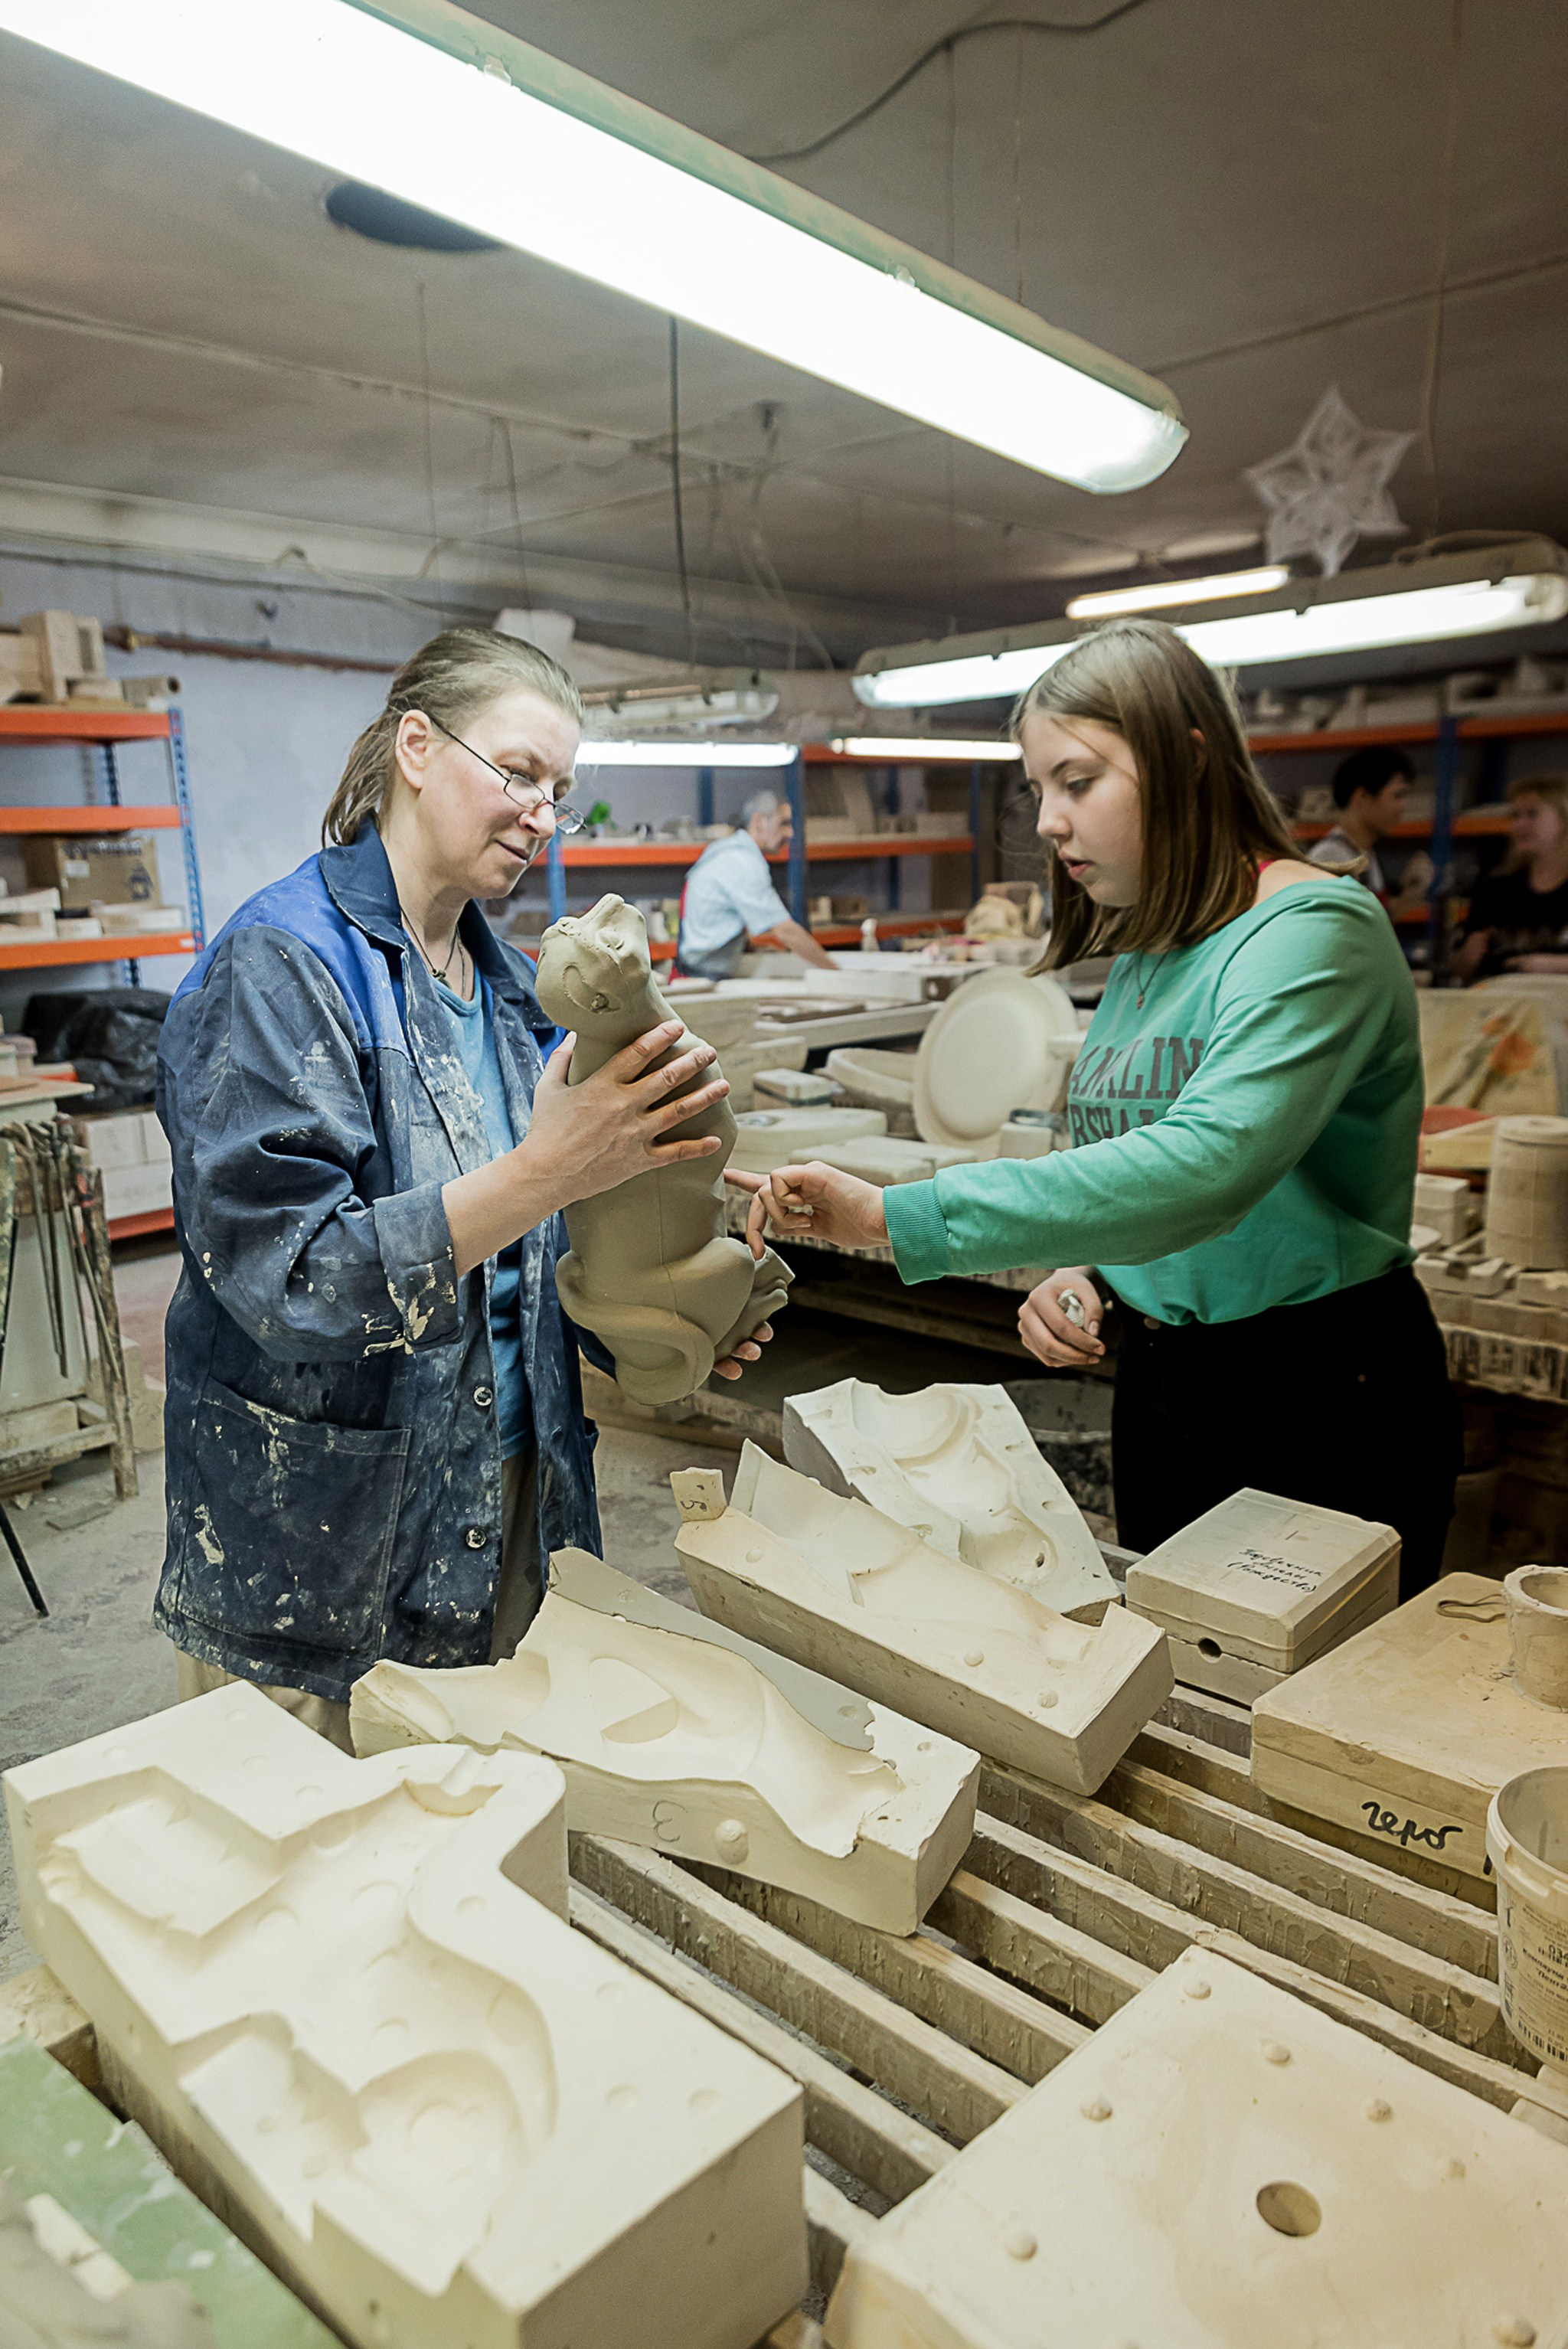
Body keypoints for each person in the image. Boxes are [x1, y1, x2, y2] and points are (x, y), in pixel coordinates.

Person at [730, 619, 1461, 1593]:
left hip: (1319, 1386)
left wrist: (892, 1215)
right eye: (1038, 789)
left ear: (1185, 761)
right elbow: (1133, 1155)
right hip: (1164, 1381)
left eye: (1076, 781)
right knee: (1175, 1654)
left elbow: (1206, 1167)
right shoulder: (1149, 950)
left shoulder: (1312, 933)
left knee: (1315, 1680)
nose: (1046, 819)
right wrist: (1093, 1272)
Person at [155, 627, 769, 1750]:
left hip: (509, 1499)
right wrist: (549, 1170)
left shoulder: (512, 989)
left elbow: (524, 1258)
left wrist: (654, 1298)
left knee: (481, 1827)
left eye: (560, 793)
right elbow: (291, 1284)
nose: (542, 815)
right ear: (418, 747)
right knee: (323, 1838)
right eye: (520, 773)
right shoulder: (281, 967)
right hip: (326, 1550)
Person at [675, 787, 835, 976]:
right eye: (784, 823)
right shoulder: (744, 862)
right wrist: (836, 973)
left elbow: (718, 918)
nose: (791, 833)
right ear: (759, 822)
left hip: (699, 969)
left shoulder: (727, 849)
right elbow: (785, 931)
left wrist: (748, 947)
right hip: (701, 977)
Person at [1453, 775, 1568, 981]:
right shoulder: (1495, 888)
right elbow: (1461, 970)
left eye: (1532, 814)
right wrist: (1467, 957)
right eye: (1515, 816)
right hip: (1498, 998)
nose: (1520, 825)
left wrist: (1553, 965)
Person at [1307, 744, 1413, 893]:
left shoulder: (1364, 852)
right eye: (1397, 796)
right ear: (1362, 797)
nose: (1403, 807)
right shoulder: (1331, 858)